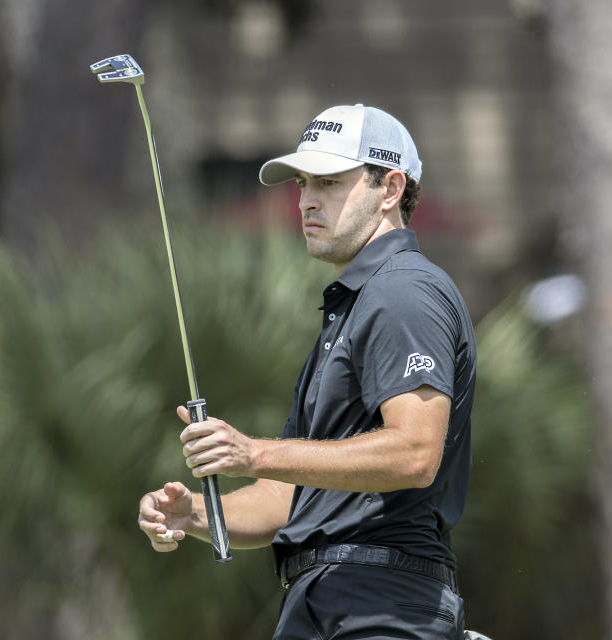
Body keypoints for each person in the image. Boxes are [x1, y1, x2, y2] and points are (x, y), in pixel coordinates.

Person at [138, 104, 477, 640]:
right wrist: (201, 518)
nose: (306, 200)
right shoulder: (352, 306)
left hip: (384, 607)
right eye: (302, 183)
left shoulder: (403, 289)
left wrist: (254, 452)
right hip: (325, 603)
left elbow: (415, 453)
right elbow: (291, 497)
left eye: (328, 182)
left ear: (390, 189)